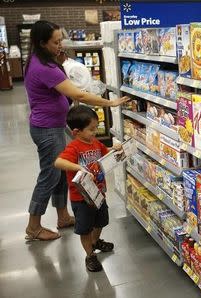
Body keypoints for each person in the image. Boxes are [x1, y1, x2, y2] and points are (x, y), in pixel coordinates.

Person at [24, 20, 129, 241]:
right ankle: (33, 226)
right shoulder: (42, 67)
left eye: (60, 40)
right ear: (42, 43)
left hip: (55, 124)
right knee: (49, 176)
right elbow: (78, 96)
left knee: (60, 175)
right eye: (55, 42)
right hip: (47, 128)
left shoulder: (42, 60)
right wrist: (110, 103)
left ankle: (62, 216)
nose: (60, 45)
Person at [55, 105, 118, 272]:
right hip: (81, 199)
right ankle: (90, 255)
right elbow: (58, 162)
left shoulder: (95, 143)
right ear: (76, 132)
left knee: (101, 221)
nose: (95, 132)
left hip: (99, 194)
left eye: (96, 128)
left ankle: (95, 242)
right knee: (85, 229)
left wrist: (114, 149)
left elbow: (105, 154)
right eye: (91, 129)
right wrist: (78, 167)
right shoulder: (73, 147)